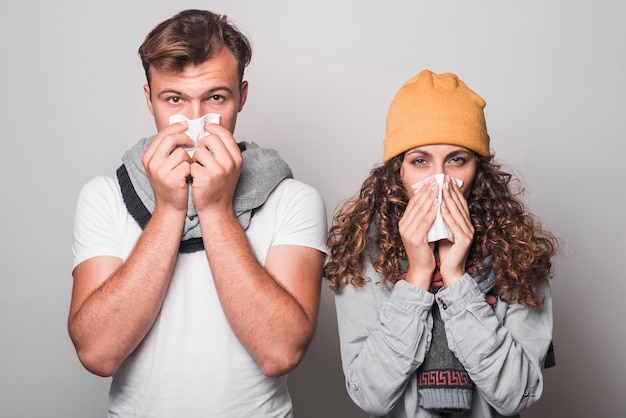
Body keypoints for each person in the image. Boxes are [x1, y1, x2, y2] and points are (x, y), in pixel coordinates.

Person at [68, 9, 327, 417]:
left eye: (215, 98)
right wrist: (170, 207)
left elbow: (280, 352)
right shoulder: (105, 197)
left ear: (241, 96)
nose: (195, 123)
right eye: (174, 99)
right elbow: (98, 354)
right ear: (148, 99)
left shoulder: (292, 199)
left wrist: (215, 209)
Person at [324, 69, 559, 417]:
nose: (440, 179)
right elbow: (370, 396)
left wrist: (456, 277)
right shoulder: (362, 254)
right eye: (420, 161)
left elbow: (516, 396)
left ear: (477, 169)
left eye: (457, 160)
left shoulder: (516, 253)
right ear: (397, 172)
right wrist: (418, 275)